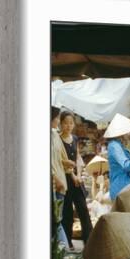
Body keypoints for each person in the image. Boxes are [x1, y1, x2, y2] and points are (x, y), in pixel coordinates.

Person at [59, 110, 93, 249]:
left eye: (71, 123)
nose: (68, 126)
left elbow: (78, 158)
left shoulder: (75, 138)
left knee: (83, 210)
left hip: (77, 181)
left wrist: (79, 175)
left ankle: (89, 242)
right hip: (65, 180)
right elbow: (61, 161)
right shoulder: (58, 139)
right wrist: (73, 175)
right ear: (61, 124)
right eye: (65, 123)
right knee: (67, 212)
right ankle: (68, 243)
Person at [104, 113, 130, 200]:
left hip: (124, 187)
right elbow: (126, 165)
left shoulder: (119, 145)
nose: (129, 134)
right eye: (127, 131)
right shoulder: (114, 145)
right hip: (120, 188)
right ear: (121, 133)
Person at [51, 106, 74, 247]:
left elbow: (59, 158)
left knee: (56, 220)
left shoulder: (54, 134)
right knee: (56, 221)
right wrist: (56, 178)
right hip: (54, 184)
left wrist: (67, 163)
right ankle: (64, 250)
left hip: (60, 185)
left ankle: (61, 252)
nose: (59, 121)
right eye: (58, 118)